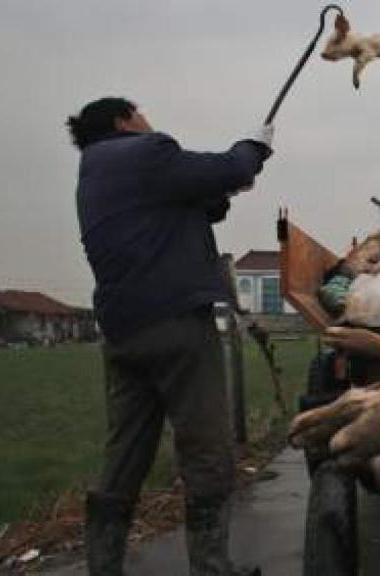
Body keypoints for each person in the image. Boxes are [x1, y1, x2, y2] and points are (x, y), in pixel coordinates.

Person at [67, 96, 273, 576]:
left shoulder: (93, 174)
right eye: (141, 113)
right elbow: (221, 168)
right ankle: (212, 568)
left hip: (122, 333)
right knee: (206, 450)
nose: (149, 120)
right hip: (175, 325)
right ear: (123, 120)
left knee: (125, 454)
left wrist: (224, 187)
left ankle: (103, 567)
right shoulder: (145, 152)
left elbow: (193, 205)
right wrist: (254, 149)